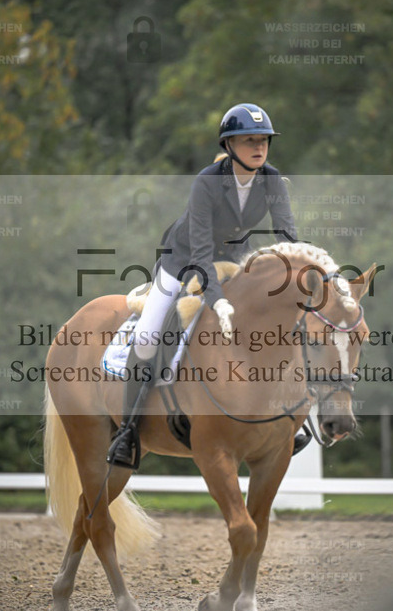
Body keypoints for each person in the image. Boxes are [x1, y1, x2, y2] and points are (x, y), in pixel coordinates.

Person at [107, 103, 311, 469]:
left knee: (272, 326)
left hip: (235, 259)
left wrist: (297, 277)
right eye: (249, 140)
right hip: (182, 261)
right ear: (229, 145)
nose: (259, 147)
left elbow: (288, 238)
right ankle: (128, 431)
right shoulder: (206, 182)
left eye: (264, 140)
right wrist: (217, 301)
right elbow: (200, 253)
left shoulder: (273, 181)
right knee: (149, 335)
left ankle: (290, 418)